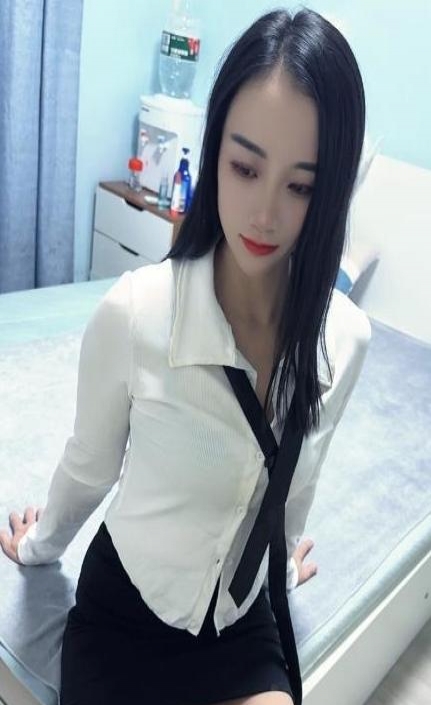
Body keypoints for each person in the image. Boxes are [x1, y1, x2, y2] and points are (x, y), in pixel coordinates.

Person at [0, 8, 370, 705]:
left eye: (300, 185)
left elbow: (294, 487)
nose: (264, 214)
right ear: (214, 149)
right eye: (245, 167)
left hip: (239, 629)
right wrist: (38, 545)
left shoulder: (345, 340)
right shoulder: (136, 312)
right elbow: (87, 467)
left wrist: (281, 568)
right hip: (126, 619)